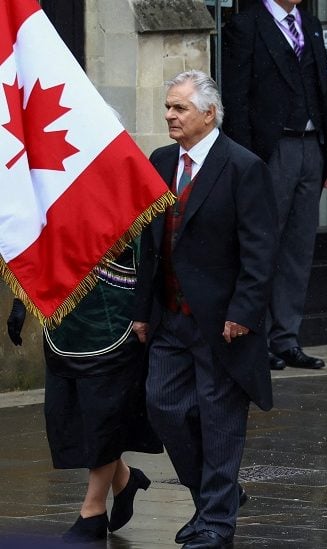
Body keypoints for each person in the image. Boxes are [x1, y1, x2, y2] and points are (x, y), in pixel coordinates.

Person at [132, 70, 277, 549]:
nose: (169, 116)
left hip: (223, 321)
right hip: (171, 316)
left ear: (209, 114)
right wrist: (142, 311)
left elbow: (259, 250)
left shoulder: (243, 166)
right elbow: (148, 245)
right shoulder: (159, 161)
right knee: (163, 406)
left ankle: (216, 521)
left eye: (179, 108)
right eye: (168, 107)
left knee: (219, 421)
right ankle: (218, 496)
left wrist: (244, 312)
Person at [5, 243, 162, 544]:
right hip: (63, 312)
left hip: (115, 309)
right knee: (67, 413)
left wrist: (145, 309)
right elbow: (38, 231)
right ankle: (124, 480)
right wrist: (22, 297)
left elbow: (150, 245)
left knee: (101, 412)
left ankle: (93, 511)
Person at [222, 0, 327, 371]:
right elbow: (236, 99)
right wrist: (245, 161)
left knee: (298, 248)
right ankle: (256, 339)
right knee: (262, 246)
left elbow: (325, 90)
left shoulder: (312, 24)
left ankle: (286, 339)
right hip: (268, 153)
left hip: (311, 148)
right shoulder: (245, 26)